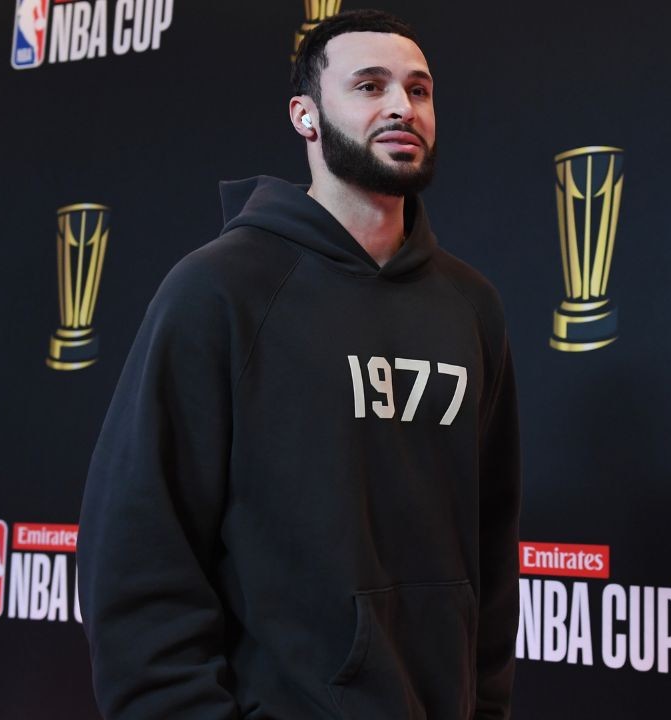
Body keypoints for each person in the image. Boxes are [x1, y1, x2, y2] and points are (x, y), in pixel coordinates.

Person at [78, 9, 522, 719]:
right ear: (305, 116)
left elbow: (492, 553)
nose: (402, 107)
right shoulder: (221, 289)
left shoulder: (471, 306)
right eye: (370, 86)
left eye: (418, 89)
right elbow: (139, 550)